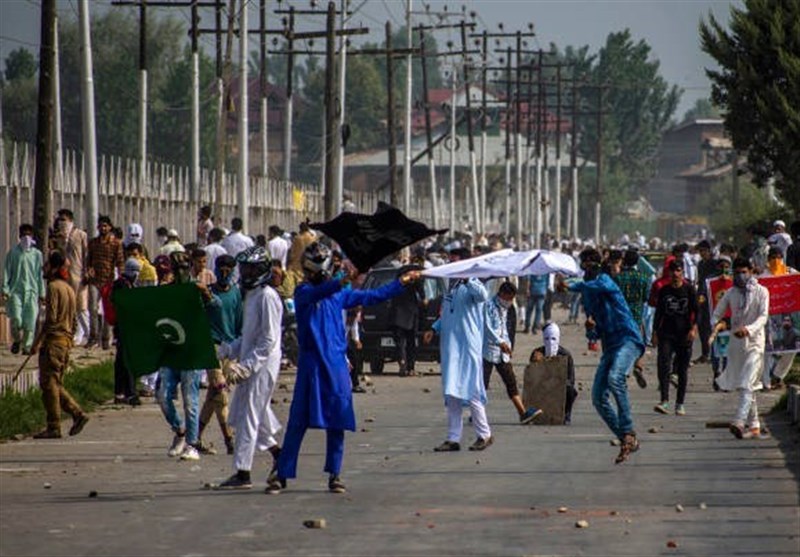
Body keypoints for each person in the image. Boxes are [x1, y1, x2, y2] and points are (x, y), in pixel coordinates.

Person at [266, 242, 421, 494]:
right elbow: (323, 290)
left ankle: (334, 474)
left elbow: (373, 296)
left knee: (337, 421)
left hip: (337, 365)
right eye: (310, 270)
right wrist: (342, 279)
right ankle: (282, 474)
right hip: (312, 366)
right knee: (298, 421)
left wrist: (400, 282)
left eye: (315, 270)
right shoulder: (304, 292)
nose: (311, 275)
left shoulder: (340, 293)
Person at [214, 247, 284, 489]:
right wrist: (226, 350)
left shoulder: (267, 296)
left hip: (263, 363)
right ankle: (279, 455)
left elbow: (268, 340)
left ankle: (243, 472)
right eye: (244, 268)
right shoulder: (252, 295)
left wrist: (247, 366)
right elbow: (247, 336)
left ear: (262, 269)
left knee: (249, 416)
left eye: (251, 268)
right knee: (252, 412)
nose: (246, 273)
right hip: (250, 359)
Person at [567, 248, 644, 464]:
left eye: (590, 264)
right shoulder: (588, 295)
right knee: (598, 397)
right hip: (610, 346)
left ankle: (627, 429)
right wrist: (591, 328)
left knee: (615, 378)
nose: (588, 269)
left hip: (628, 339)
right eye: (585, 265)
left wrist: (570, 285)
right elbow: (594, 331)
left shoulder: (605, 281)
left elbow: (593, 285)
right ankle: (627, 439)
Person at [424, 266, 494, 454]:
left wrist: (467, 278)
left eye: (455, 263)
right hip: (450, 349)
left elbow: (483, 296)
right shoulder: (451, 289)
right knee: (452, 393)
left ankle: (485, 434)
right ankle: (453, 438)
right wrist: (434, 328)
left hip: (467, 348)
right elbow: (446, 314)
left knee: (471, 391)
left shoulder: (473, 285)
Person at [29, 251, 89, 439]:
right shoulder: (69, 288)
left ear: (54, 267)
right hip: (64, 342)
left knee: (49, 384)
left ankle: (56, 424)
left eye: (47, 265)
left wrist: (37, 342)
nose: (44, 268)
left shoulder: (54, 287)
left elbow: (51, 319)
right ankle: (76, 414)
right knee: (53, 383)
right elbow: (74, 320)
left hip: (54, 342)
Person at [709, 257, 770, 440]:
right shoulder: (731, 293)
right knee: (747, 385)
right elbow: (717, 313)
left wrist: (748, 330)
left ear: (751, 271)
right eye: (737, 273)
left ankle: (739, 421)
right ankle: (755, 425)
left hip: (755, 343)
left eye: (744, 272)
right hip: (736, 346)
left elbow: (763, 317)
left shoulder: (762, 292)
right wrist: (719, 324)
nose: (740, 276)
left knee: (746, 383)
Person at [155, 252, 205, 462]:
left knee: (190, 402)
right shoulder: (167, 291)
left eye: (184, 268)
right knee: (162, 396)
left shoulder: (199, 289)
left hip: (192, 352)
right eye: (177, 269)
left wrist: (207, 296)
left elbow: (215, 310)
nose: (181, 273)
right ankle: (180, 431)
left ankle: (192, 444)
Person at [197, 254, 242, 456]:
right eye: (221, 268)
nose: (224, 272)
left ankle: (194, 437)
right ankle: (229, 439)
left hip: (230, 349)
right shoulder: (208, 293)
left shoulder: (236, 294)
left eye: (228, 269)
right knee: (221, 393)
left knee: (213, 396)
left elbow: (239, 324)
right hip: (212, 347)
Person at [482, 281, 541, 424]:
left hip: (504, 353)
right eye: (509, 298)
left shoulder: (508, 308)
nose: (510, 302)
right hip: (487, 351)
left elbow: (508, 329)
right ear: (501, 294)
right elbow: (487, 328)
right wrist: (500, 342)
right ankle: (478, 414)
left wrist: (509, 346)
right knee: (482, 385)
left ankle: (523, 413)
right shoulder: (488, 306)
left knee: (511, 382)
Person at [652, 259, 698, 416]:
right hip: (666, 333)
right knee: (663, 365)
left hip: (684, 334)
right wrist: (654, 332)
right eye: (672, 271)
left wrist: (693, 329)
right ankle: (664, 400)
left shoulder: (689, 290)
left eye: (678, 271)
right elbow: (658, 313)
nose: (675, 274)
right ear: (669, 273)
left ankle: (680, 403)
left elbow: (697, 312)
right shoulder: (664, 290)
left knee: (682, 370)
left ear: (682, 272)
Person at [609, 249, 650, 388]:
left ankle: (621, 373)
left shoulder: (618, 278)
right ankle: (637, 366)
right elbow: (646, 297)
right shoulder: (643, 278)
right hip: (637, 317)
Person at [2, 224, 45, 354]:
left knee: (30, 322)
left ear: (32, 237)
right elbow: (6, 272)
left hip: (32, 291)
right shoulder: (13, 253)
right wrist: (5, 290)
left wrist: (42, 293)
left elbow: (39, 275)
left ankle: (27, 346)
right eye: (24, 234)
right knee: (16, 319)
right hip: (16, 291)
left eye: (29, 235)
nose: (26, 237)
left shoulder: (37, 254)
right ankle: (17, 340)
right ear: (20, 236)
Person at [49, 208, 90, 344]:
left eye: (64, 219)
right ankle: (75, 333)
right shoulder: (59, 237)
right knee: (68, 305)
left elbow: (86, 255)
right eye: (59, 219)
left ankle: (89, 333)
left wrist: (87, 271)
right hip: (65, 276)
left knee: (81, 306)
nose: (61, 222)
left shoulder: (80, 235)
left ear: (71, 220)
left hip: (79, 275)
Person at [759, 247, 797, 390]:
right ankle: (766, 381)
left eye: (779, 256)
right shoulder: (764, 276)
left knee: (792, 347)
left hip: (789, 316)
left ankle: (778, 375)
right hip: (771, 317)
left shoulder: (791, 273)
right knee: (769, 349)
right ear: (768, 259)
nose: (776, 260)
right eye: (773, 257)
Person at [85, 215, 124, 350]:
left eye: (105, 226)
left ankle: (106, 338)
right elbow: (88, 260)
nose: (103, 228)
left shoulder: (115, 243)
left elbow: (120, 262)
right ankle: (93, 337)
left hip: (109, 280)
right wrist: (88, 270)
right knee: (93, 309)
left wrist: (121, 278)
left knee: (107, 310)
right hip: (95, 280)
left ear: (110, 227)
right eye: (101, 226)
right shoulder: (93, 243)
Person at [529, 322, 578, 425]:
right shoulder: (537, 352)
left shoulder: (565, 354)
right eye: (547, 339)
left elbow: (571, 378)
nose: (550, 342)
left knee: (571, 391)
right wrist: (536, 363)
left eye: (553, 339)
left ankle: (566, 415)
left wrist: (558, 383)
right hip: (542, 386)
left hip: (559, 386)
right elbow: (531, 377)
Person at [110, 258, 143, 406]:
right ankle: (130, 393)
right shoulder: (121, 285)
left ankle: (120, 392)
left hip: (128, 328)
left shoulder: (128, 284)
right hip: (123, 328)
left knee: (122, 362)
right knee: (127, 361)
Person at [389, 265, 424, 377]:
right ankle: (410, 367)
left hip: (397, 316)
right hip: (410, 315)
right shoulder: (415, 282)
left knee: (400, 343)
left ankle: (403, 364)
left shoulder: (398, 284)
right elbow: (423, 296)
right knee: (411, 342)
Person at [694, 240, 716, 364]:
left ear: (709, 251)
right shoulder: (700, 264)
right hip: (702, 296)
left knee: (711, 326)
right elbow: (700, 280)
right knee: (702, 326)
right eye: (700, 251)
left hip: (712, 297)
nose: (702, 253)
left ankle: (712, 354)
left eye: (704, 251)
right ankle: (705, 353)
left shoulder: (714, 263)